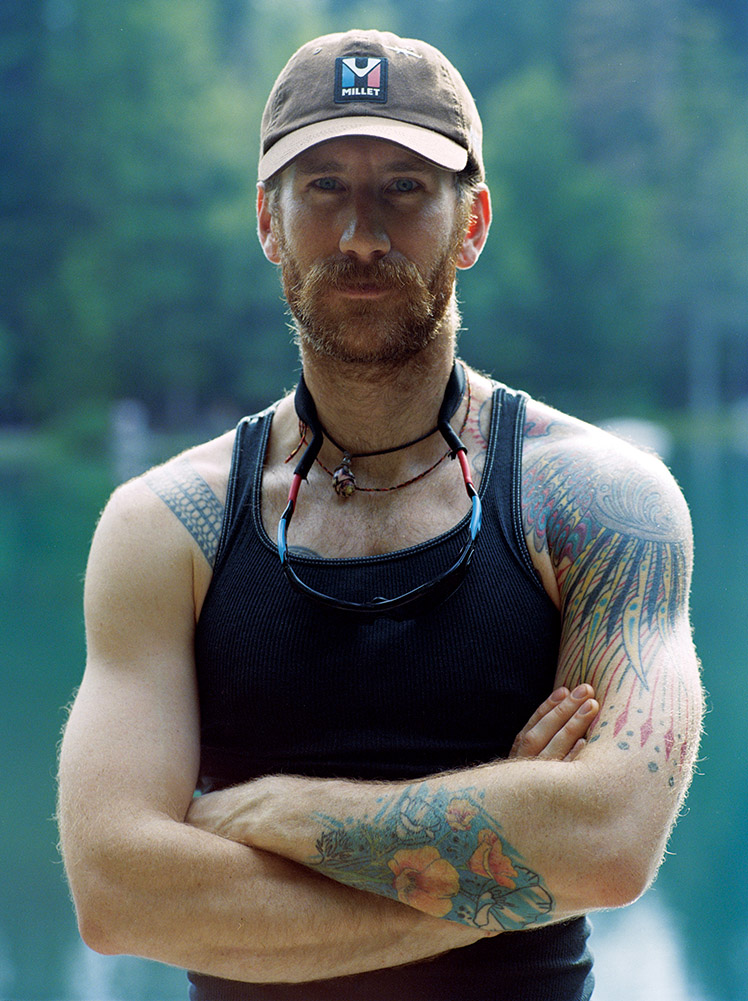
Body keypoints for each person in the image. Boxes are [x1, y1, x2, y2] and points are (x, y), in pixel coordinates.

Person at [57, 29, 704, 1001]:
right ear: (269, 222)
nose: (361, 233)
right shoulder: (167, 528)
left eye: (404, 188)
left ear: (472, 222)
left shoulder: (599, 502)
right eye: (324, 187)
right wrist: (513, 857)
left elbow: (609, 840)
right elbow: (119, 893)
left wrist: (274, 812)